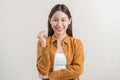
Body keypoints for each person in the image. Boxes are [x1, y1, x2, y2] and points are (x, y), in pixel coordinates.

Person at [36, 4, 84, 80]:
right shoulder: (42, 42)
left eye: (63, 20)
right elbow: (43, 72)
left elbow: (78, 69)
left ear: (69, 21)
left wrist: (51, 76)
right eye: (55, 20)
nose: (59, 24)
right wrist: (44, 46)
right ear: (50, 20)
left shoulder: (77, 43)